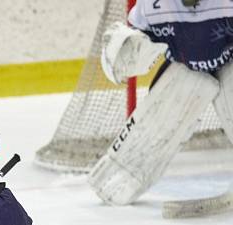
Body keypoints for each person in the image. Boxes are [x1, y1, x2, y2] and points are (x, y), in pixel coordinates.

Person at [88, 0, 233, 205]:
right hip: (185, 69)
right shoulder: (152, 8)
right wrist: (124, 49)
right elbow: (133, 45)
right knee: (187, 86)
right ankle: (120, 176)